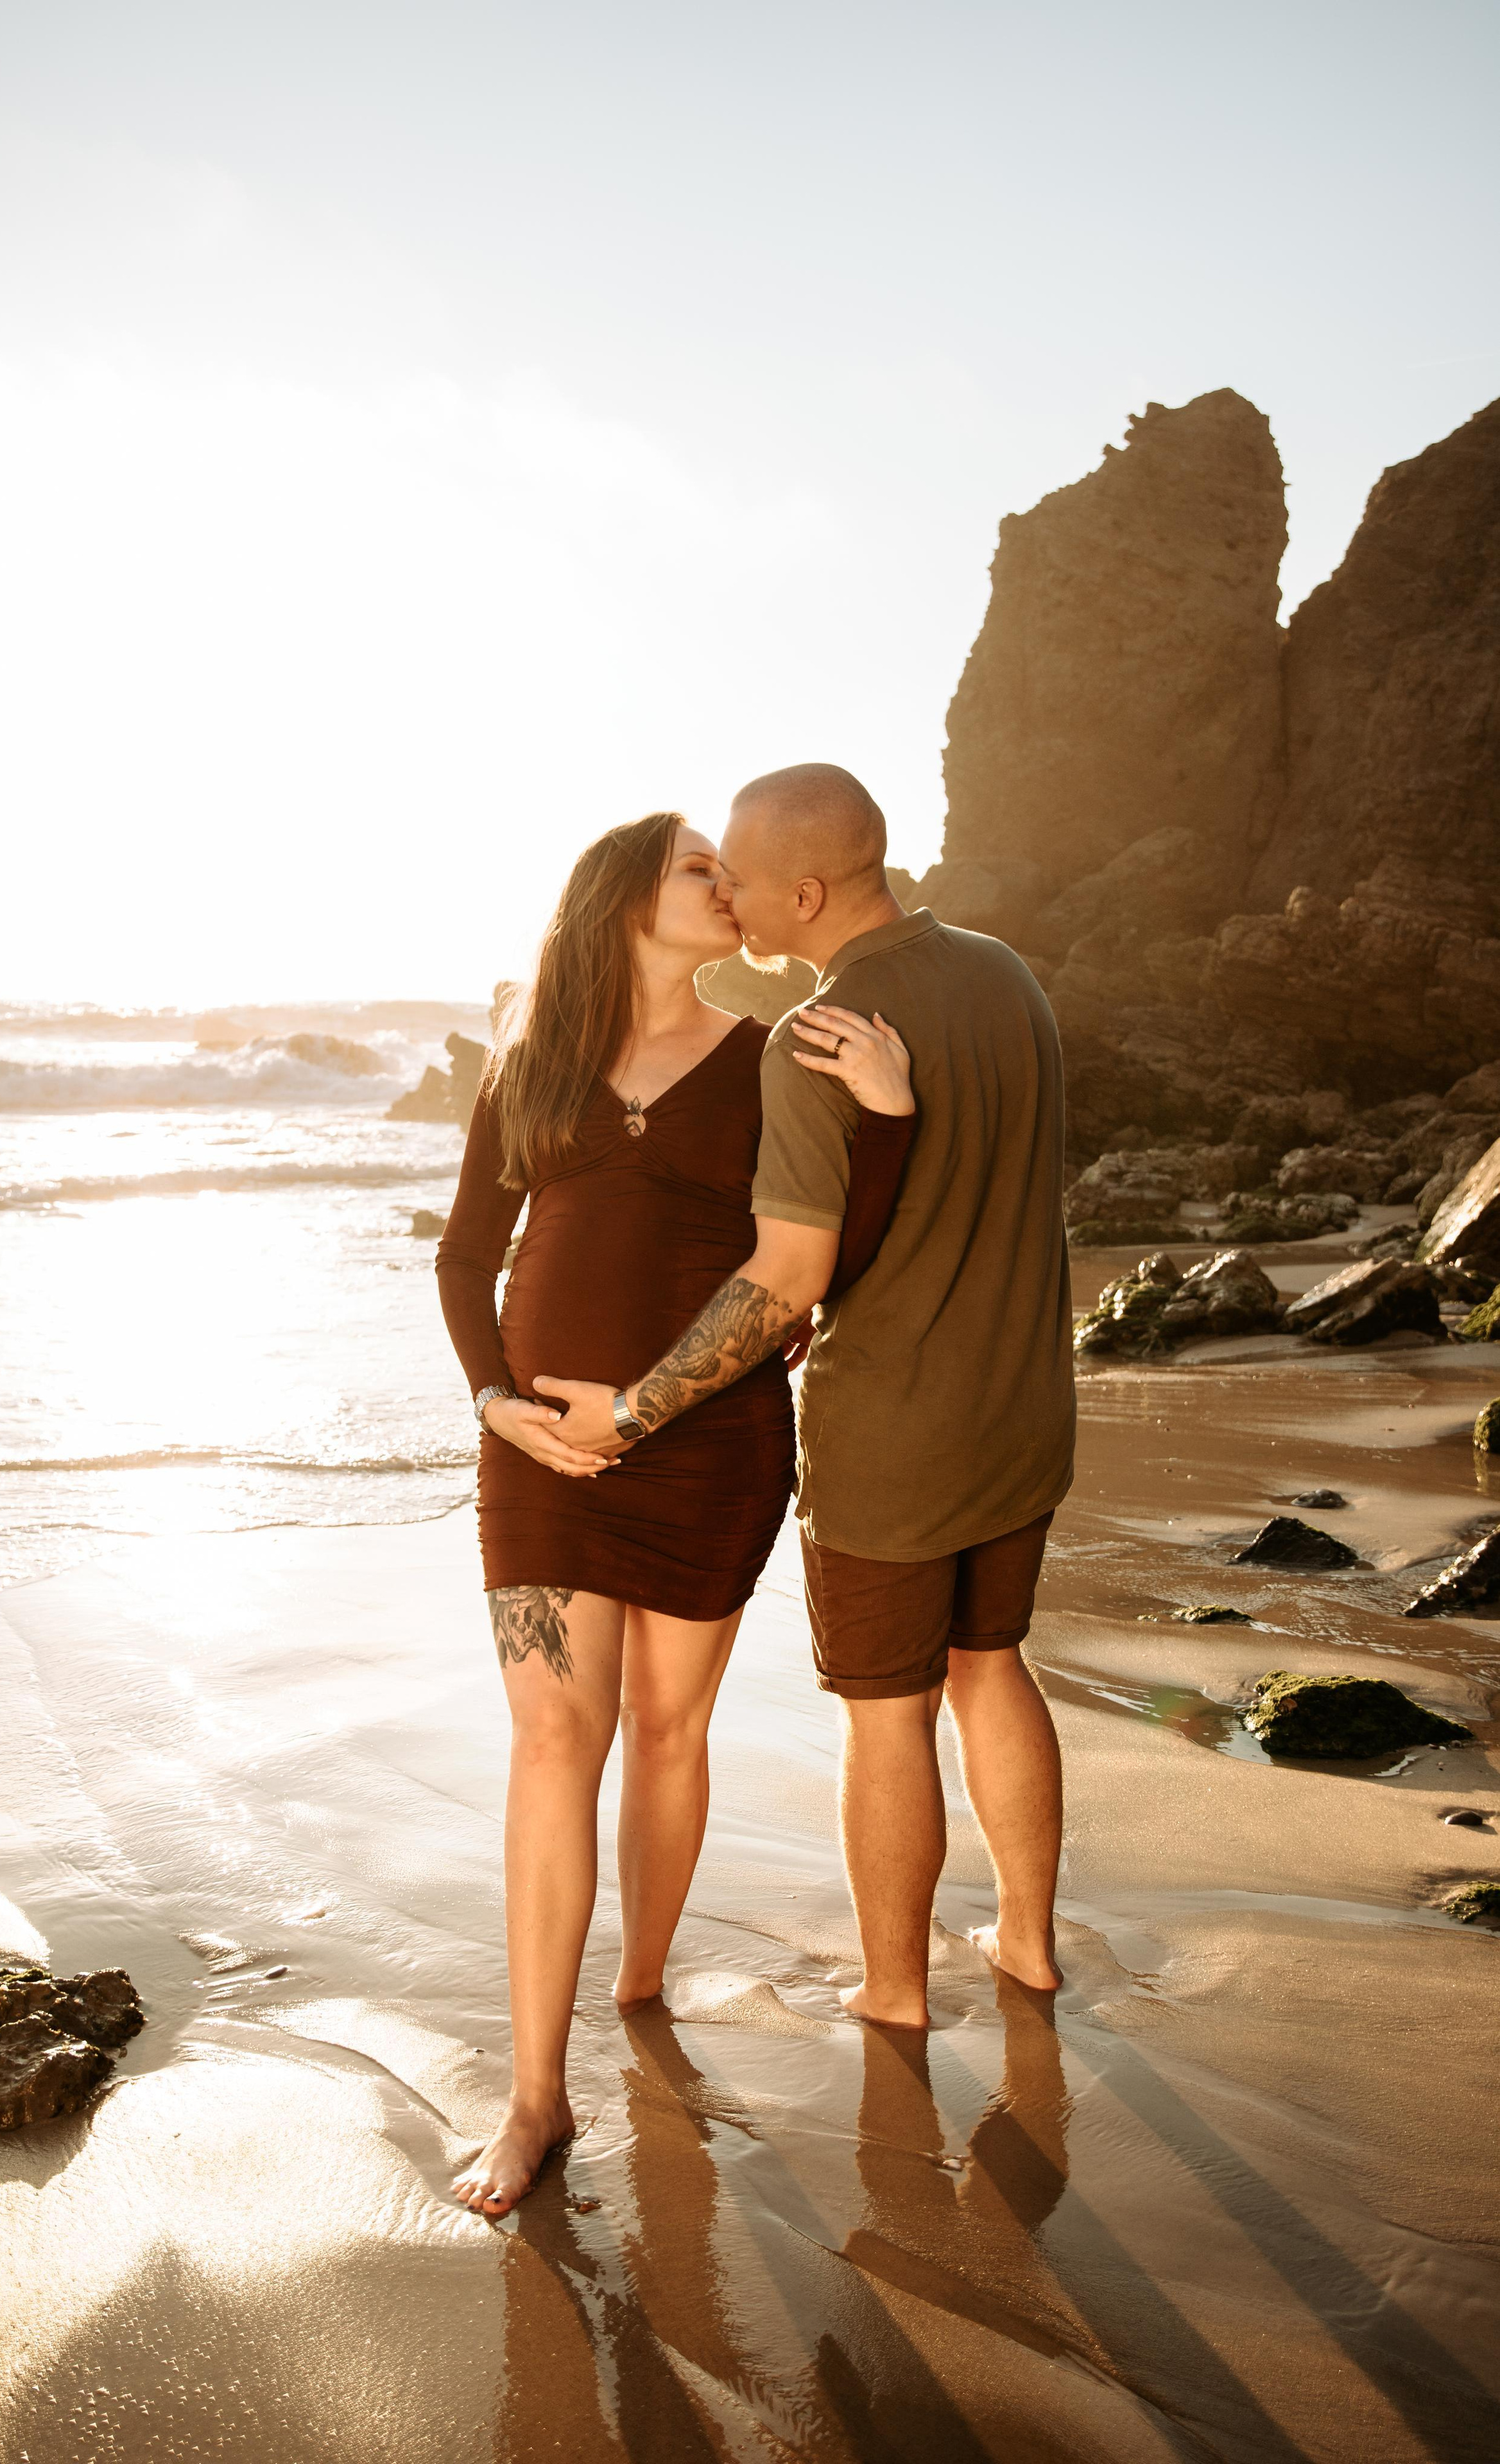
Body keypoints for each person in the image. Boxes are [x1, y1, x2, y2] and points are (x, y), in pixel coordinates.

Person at [435, 810, 917, 2215]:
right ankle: (534, 2098)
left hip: (708, 1444)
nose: (727, 884)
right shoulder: (529, 1068)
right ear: (623, 900)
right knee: (549, 1735)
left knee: (666, 1727)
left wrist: (884, 1117)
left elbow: (831, 1251)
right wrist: (489, 1398)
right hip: (538, 1449)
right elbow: (468, 1251)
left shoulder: (771, 1057)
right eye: (698, 866)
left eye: (728, 866)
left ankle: (639, 1983)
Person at [540, 765, 1075, 2026]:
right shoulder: (1007, 978)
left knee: (888, 1715)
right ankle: (1027, 1944)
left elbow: (786, 1280)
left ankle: (893, 1991)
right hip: (1025, 1409)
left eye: (737, 872)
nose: (727, 892)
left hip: (892, 1430)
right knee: (994, 1667)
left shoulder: (812, 1039)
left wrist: (631, 1411)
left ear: (808, 888)